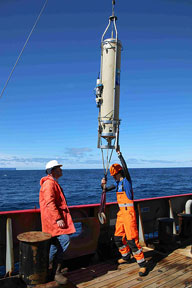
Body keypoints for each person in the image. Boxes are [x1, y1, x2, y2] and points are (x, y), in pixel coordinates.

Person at [101, 149, 147, 277]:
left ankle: (142, 264)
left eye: (114, 175)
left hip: (129, 215)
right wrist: (102, 184)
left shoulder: (126, 182)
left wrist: (120, 155)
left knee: (132, 241)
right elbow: (104, 190)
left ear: (119, 172)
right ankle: (126, 256)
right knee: (117, 238)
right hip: (121, 214)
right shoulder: (117, 184)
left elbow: (126, 169)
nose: (113, 177)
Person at [39, 160, 76, 284]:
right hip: (53, 221)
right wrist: (58, 218)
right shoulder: (49, 184)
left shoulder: (52, 183)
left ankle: (51, 271)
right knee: (64, 240)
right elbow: (50, 203)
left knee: (55, 244)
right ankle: (55, 270)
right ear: (52, 171)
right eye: (59, 168)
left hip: (53, 220)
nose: (61, 170)